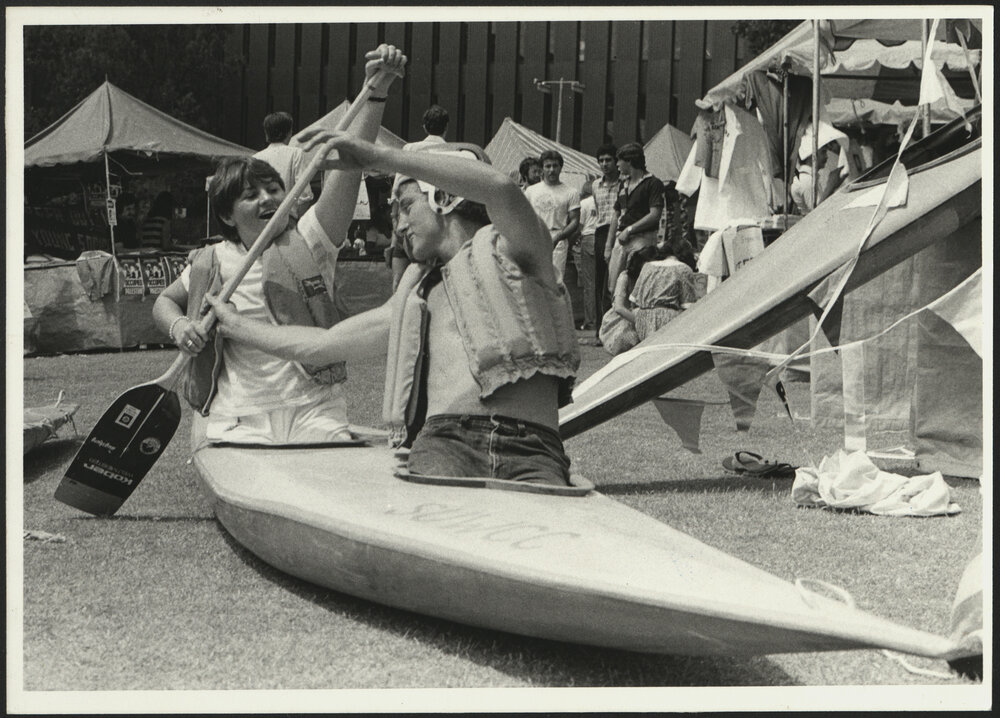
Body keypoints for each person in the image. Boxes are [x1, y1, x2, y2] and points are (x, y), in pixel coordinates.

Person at [206, 135, 581, 487]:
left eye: (405, 206)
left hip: (533, 448)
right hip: (446, 444)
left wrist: (378, 156)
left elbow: (499, 188)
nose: (399, 227)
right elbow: (323, 344)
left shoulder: (522, 248)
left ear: (444, 197)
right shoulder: (415, 292)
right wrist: (237, 326)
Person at [152, 44, 407, 447]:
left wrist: (376, 91)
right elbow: (163, 302)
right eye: (251, 195)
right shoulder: (211, 259)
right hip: (237, 416)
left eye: (274, 189)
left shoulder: (310, 238)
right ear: (226, 215)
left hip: (314, 408)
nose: (269, 199)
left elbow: (351, 169)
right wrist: (180, 324)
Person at [605, 142, 664, 294]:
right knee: (614, 286)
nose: (617, 164)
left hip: (642, 239)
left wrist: (630, 230)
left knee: (636, 285)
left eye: (619, 160)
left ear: (629, 161)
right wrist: (608, 245)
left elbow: (654, 215)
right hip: (621, 240)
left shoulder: (653, 183)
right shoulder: (623, 185)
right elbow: (616, 214)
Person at [524, 150, 580, 283]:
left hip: (558, 239)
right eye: (547, 166)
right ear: (542, 168)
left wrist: (558, 237)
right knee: (532, 280)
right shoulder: (531, 191)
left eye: (555, 166)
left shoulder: (571, 192)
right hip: (534, 238)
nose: (551, 170)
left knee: (554, 283)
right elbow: (524, 216)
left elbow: (575, 221)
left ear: (560, 168)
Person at [253, 111, 314, 219]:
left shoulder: (255, 158)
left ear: (267, 133)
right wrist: (297, 221)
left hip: (263, 221)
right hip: (288, 220)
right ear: (289, 132)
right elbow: (305, 195)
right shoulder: (296, 153)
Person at [591, 143, 619, 339]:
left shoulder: (623, 183)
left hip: (618, 232)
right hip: (601, 232)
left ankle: (614, 327)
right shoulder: (595, 185)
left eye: (608, 160)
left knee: (615, 281)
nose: (604, 164)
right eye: (601, 161)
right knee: (599, 281)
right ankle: (600, 328)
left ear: (616, 162)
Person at [574, 181, 599, 335]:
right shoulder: (600, 200)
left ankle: (590, 321)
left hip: (588, 238)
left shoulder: (584, 204)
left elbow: (579, 226)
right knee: (601, 283)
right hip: (602, 238)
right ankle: (601, 318)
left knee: (589, 284)